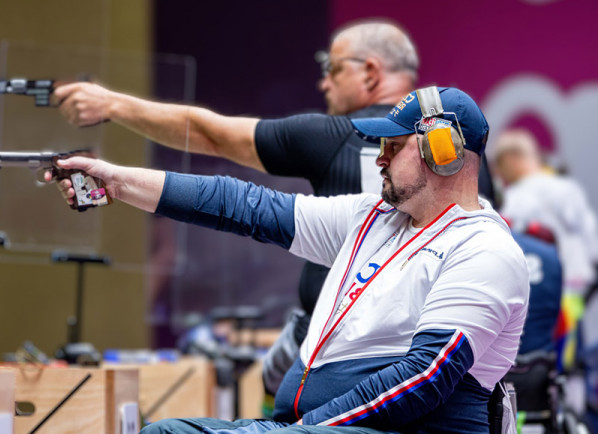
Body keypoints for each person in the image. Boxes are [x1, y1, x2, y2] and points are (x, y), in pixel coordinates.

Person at [47, 86, 529, 433]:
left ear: (442, 152)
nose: (379, 159)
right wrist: (117, 181)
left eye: (393, 146)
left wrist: (302, 429)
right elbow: (241, 205)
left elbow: (425, 378)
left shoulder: (484, 249)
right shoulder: (372, 216)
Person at [55, 19, 420, 394]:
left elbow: (212, 141)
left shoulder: (338, 137)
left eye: (333, 68)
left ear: (371, 72)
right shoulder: (457, 160)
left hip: (337, 365)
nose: (323, 82)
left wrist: (111, 104)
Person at [492, 128, 598, 370]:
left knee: (551, 365)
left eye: (499, 165)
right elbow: (592, 245)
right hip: (578, 292)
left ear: (511, 159)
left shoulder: (514, 200)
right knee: (571, 365)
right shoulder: (567, 189)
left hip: (542, 293)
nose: (499, 174)